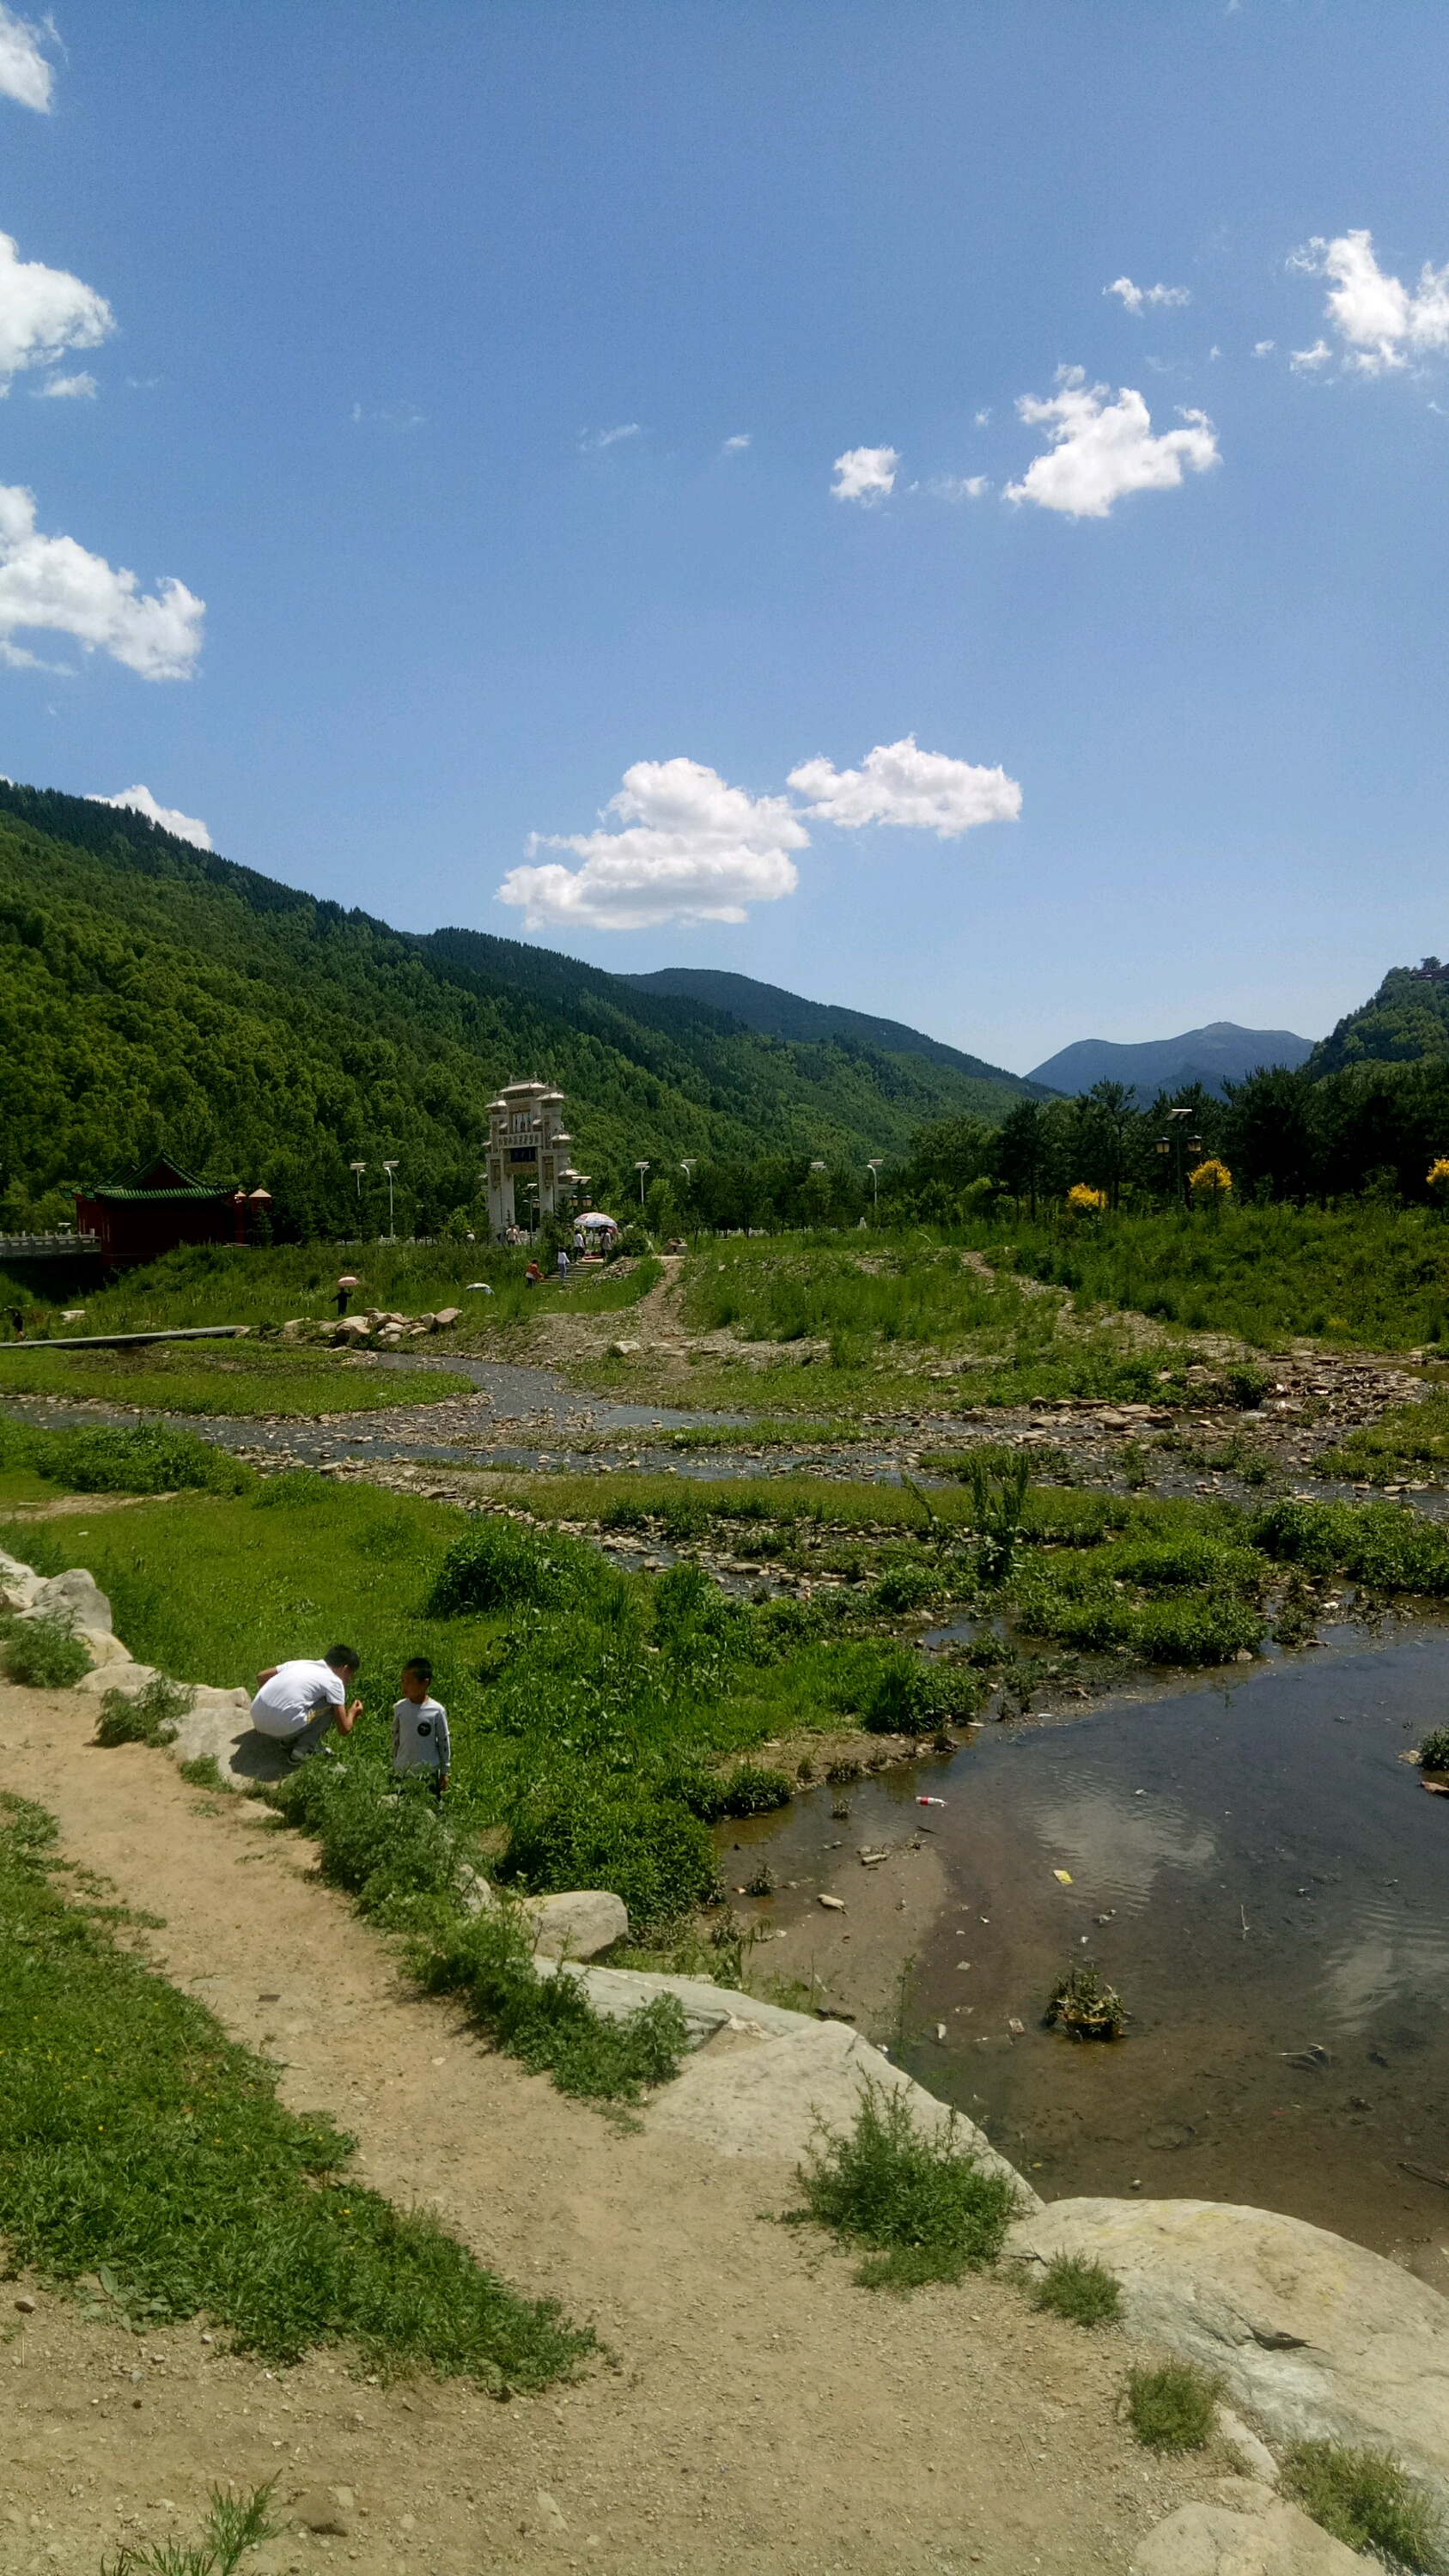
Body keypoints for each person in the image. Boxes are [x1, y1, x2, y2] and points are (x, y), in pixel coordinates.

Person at [250, 1645, 362, 1765]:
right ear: (345, 1669)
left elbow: (261, 1676)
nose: (349, 1680)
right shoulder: (335, 1682)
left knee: (311, 1701)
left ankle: (288, 1740)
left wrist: (271, 1708)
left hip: (256, 1716)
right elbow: (344, 1729)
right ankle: (301, 1752)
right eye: (350, 1675)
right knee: (330, 1705)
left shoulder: (302, 1663)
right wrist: (353, 1714)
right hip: (281, 1727)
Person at [392, 1657, 449, 1796]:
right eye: (403, 1681)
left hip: (427, 1773)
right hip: (403, 1771)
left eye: (410, 1682)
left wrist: (444, 1771)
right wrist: (394, 1765)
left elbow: (443, 1741)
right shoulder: (400, 1708)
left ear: (425, 1684)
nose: (404, 1686)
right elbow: (395, 1738)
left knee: (429, 1811)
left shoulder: (436, 1711)